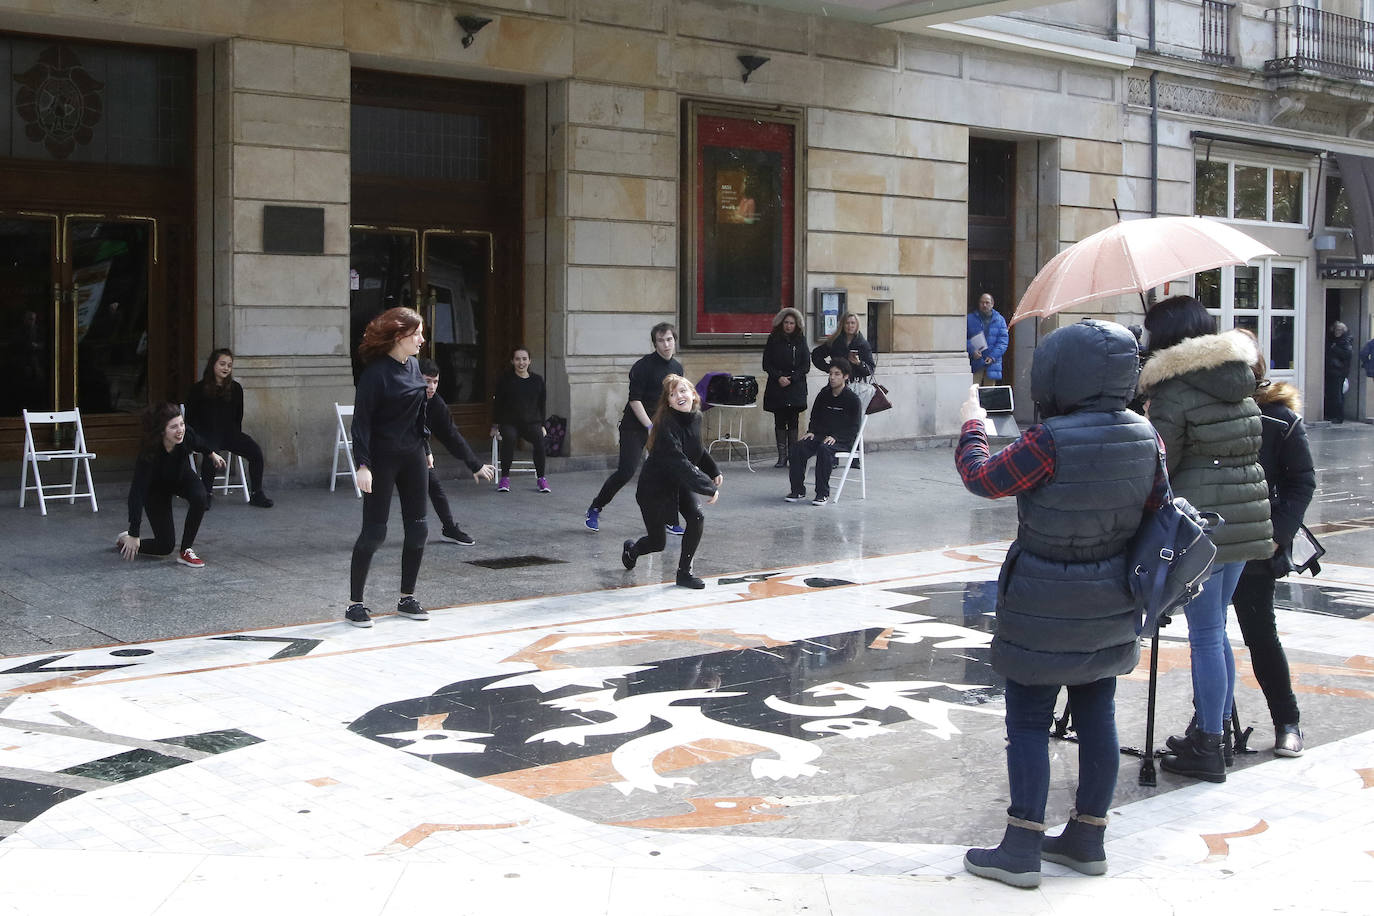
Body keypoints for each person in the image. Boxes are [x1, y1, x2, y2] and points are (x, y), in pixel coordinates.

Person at [955, 320, 1166, 889]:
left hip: (1042, 598)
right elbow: (1158, 511)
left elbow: (983, 479)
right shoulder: (1148, 435)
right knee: (1097, 710)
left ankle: (1022, 843)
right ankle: (1087, 836)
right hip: (1113, 596)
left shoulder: (1050, 440)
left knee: (1028, 718)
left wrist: (972, 426)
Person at [1137, 296, 1273, 782]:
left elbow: (1158, 466)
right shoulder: (1238, 379)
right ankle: (1214, 731)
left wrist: (1149, 415)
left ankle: (1209, 744)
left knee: (1207, 635)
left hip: (1203, 527)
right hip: (1245, 521)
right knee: (1216, 631)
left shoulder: (1175, 391)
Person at [1227, 334, 1314, 757]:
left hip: (1258, 546)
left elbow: (1301, 481)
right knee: (1208, 639)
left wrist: (1278, 535)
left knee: (1260, 636)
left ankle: (1287, 721)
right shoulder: (1210, 415)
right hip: (1209, 542)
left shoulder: (1279, 420)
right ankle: (1209, 721)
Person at [346, 307, 433, 629]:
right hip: (381, 460)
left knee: (419, 527)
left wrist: (425, 447)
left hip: (412, 455)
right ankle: (355, 603)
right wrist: (363, 465)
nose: (422, 340)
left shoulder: (414, 367)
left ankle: (407, 598)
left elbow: (418, 412)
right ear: (400, 336)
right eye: (417, 334)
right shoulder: (375, 374)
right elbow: (361, 424)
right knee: (375, 532)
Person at [620, 375, 721, 590]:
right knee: (658, 543)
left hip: (679, 481)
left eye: (683, 391)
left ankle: (684, 573)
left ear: (693, 394)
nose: (679, 396)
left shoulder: (696, 417)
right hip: (655, 488)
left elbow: (696, 449)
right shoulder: (666, 426)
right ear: (668, 402)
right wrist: (707, 487)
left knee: (696, 516)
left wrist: (712, 469)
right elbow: (680, 462)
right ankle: (632, 550)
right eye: (673, 395)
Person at [585, 322, 683, 533]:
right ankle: (595, 507)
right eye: (661, 340)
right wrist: (649, 426)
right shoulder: (643, 366)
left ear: (674, 340)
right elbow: (634, 400)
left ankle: (671, 519)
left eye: (669, 339)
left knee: (671, 469)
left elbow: (674, 399)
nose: (666, 344)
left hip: (660, 426)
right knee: (626, 472)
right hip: (635, 427)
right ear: (654, 343)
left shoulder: (677, 368)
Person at [116, 402, 226, 569]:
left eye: (181, 424)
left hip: (180, 477)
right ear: (162, 431)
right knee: (165, 546)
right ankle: (126, 541)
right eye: (174, 427)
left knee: (200, 496)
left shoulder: (186, 435)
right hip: (156, 491)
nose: (180, 430)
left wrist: (211, 454)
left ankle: (186, 550)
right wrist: (134, 532)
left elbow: (198, 441)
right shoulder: (149, 452)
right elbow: (137, 492)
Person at [419, 358, 494, 547]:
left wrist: (475, 465)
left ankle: (449, 528)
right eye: (427, 381)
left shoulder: (436, 404)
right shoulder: (404, 398)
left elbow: (452, 437)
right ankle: (373, 533)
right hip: (389, 451)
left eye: (435, 382)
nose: (431, 387)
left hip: (415, 453)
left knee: (434, 486)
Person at [184, 348, 273, 508]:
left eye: (229, 365)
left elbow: (238, 415)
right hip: (206, 433)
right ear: (213, 364)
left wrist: (235, 435)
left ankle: (256, 493)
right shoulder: (198, 389)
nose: (226, 368)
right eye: (222, 364)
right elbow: (190, 418)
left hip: (229, 433)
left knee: (255, 452)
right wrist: (197, 438)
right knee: (210, 453)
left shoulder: (236, 389)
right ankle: (206, 494)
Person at [785, 359, 861, 507]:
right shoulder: (824, 394)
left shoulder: (852, 399)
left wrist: (836, 437)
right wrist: (811, 431)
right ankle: (797, 490)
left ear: (845, 376)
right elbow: (815, 416)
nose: (832, 377)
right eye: (831, 374)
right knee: (797, 447)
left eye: (837, 374)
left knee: (824, 449)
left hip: (842, 440)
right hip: (821, 435)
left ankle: (822, 493)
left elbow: (854, 427)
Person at [490, 346, 549, 493]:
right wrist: (495, 425)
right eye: (517, 359)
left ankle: (541, 478)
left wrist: (542, 424)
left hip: (531, 422)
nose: (521, 362)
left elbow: (541, 404)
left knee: (539, 440)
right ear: (512, 361)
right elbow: (498, 404)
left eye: (524, 359)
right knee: (509, 438)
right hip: (509, 422)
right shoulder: (505, 380)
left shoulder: (537, 380)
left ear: (529, 361)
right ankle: (505, 478)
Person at [761, 307, 808, 468]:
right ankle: (782, 456)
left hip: (795, 386)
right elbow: (766, 363)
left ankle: (793, 455)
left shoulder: (801, 339)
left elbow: (805, 365)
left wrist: (793, 378)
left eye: (792, 323)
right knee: (779, 421)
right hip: (777, 385)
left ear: (796, 325)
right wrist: (778, 377)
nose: (788, 326)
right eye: (786, 323)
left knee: (793, 421)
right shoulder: (773, 339)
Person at [811, 311, 875, 381]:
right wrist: (829, 368)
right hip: (837, 382)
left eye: (853, 323)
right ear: (843, 325)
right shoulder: (835, 342)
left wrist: (859, 363)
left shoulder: (863, 344)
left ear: (857, 325)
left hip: (856, 384)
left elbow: (870, 369)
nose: (850, 326)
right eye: (847, 323)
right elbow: (816, 354)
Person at [967, 292, 1009, 385]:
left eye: (987, 302)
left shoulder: (1000, 320)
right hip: (976, 362)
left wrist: (992, 356)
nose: (984, 305)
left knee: (988, 393)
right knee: (973, 391)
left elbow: (1003, 342)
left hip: (992, 364)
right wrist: (972, 350)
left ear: (992, 304)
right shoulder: (970, 319)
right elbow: (963, 339)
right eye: (982, 302)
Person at [1325, 320, 1354, 422]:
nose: (1337, 331)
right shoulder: (1335, 340)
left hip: (1339, 372)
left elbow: (1347, 355)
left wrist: (1335, 348)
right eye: (1336, 329)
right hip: (1333, 371)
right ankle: (1333, 415)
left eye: (1339, 330)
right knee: (1332, 394)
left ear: (1342, 331)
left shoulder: (1345, 341)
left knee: (1338, 395)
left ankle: (1339, 417)